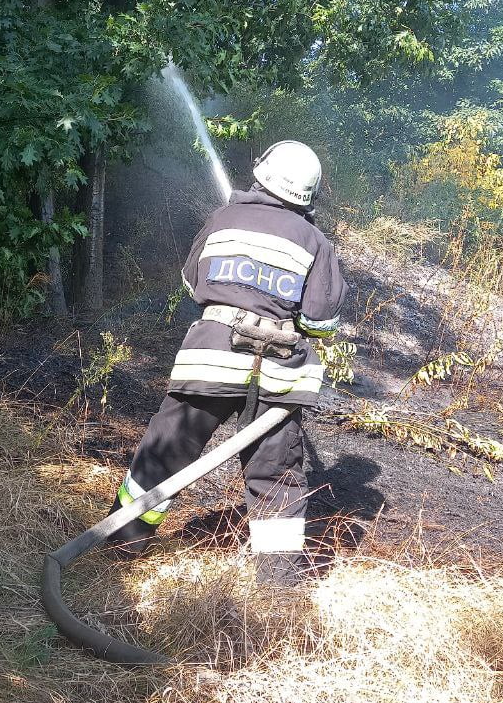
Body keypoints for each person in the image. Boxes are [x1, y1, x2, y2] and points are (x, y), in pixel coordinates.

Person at [106, 140, 348, 586]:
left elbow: (192, 284)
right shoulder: (317, 242)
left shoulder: (222, 219)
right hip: (277, 372)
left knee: (165, 451)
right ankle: (279, 588)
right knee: (276, 476)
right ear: (309, 194)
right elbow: (321, 321)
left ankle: (122, 542)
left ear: (261, 173)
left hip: (210, 359)